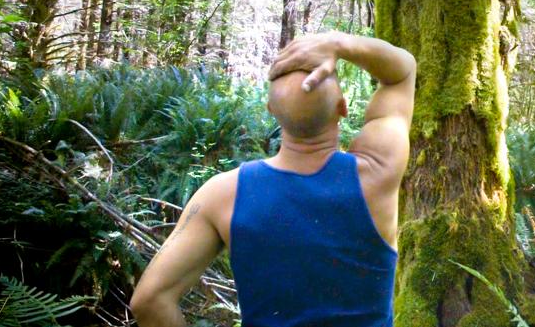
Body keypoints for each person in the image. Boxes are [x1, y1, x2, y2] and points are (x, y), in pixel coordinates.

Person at [130, 31, 416, 327]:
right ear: (342, 108)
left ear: (271, 112)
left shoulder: (222, 195)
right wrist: (338, 44)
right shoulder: (377, 171)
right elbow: (402, 71)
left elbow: (149, 300)